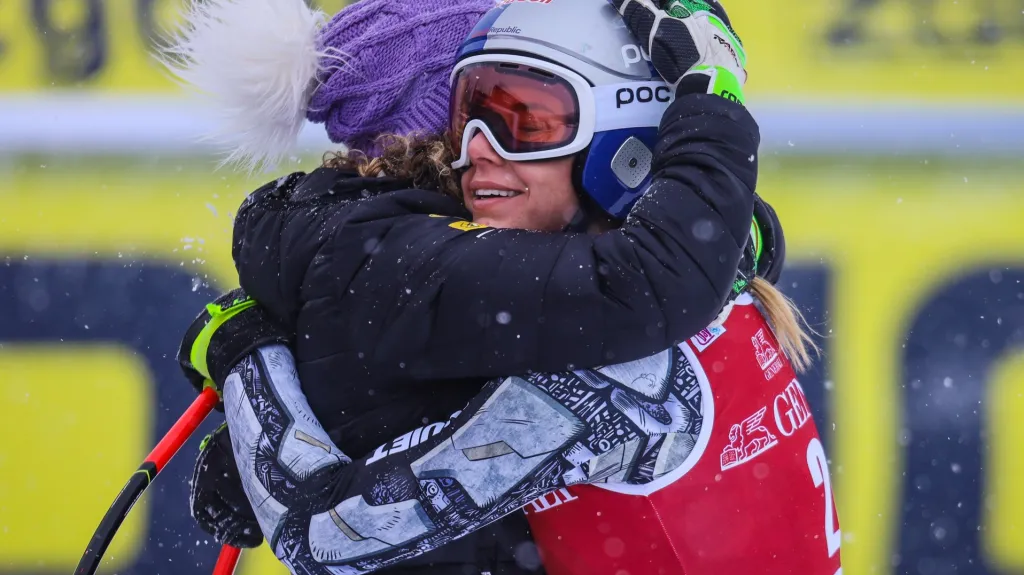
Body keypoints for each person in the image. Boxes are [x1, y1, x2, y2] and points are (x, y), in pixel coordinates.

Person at [170, 0, 838, 572]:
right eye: (468, 117)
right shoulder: (708, 268)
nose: (481, 148)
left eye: (529, 117)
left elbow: (319, 529)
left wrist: (248, 356)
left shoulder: (619, 358)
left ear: (623, 135)